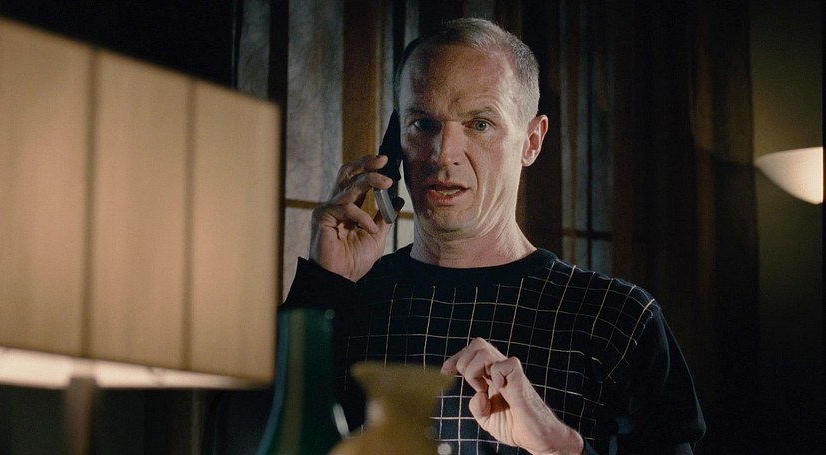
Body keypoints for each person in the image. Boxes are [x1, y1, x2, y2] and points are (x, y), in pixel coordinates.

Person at [285, 17, 705, 455]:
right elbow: (255, 435)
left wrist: (558, 445)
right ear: (396, 139)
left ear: (532, 141)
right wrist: (323, 286)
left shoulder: (618, 319)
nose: (443, 154)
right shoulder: (341, 303)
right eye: (423, 124)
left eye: (480, 124)